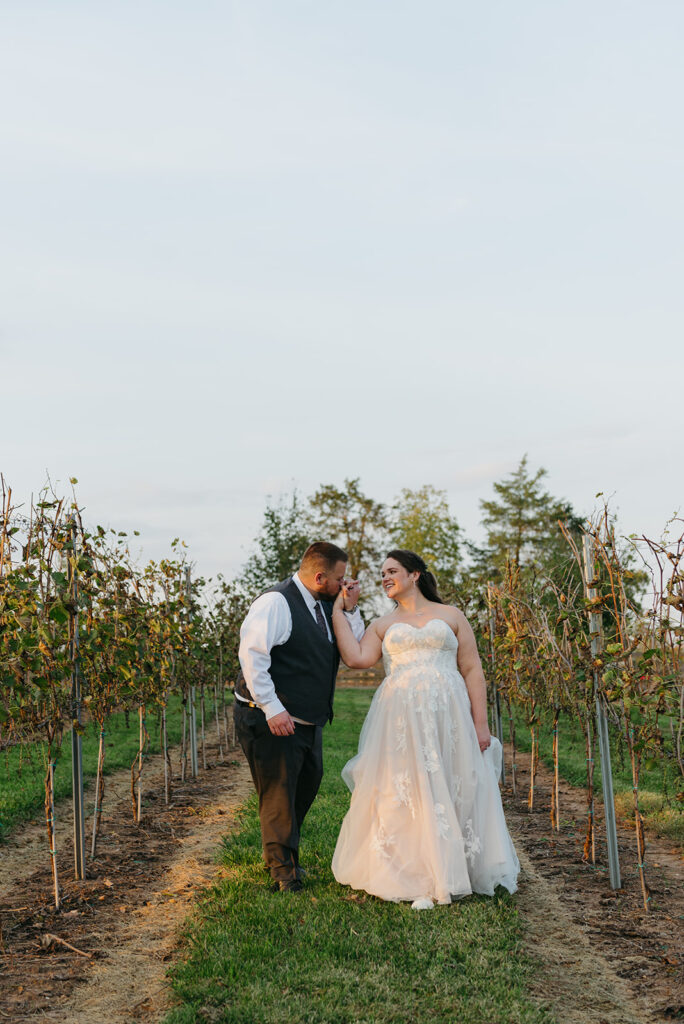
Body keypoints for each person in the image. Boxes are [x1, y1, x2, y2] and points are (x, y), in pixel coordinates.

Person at [330, 549, 519, 910]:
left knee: (455, 782)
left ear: (415, 574)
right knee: (406, 789)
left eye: (392, 571)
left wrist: (481, 724)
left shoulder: (451, 616)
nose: (385, 577)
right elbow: (356, 658)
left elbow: (472, 670)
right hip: (401, 718)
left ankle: (455, 870)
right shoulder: (383, 624)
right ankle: (414, 876)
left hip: (449, 715)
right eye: (382, 573)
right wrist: (341, 610)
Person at [234, 542, 364, 892]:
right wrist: (272, 708)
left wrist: (350, 609)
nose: (345, 583)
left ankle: (284, 855)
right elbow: (253, 655)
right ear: (320, 576)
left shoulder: (325, 606)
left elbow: (357, 646)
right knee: (279, 793)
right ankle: (283, 873)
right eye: (340, 579)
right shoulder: (276, 603)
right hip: (269, 716)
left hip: (307, 719)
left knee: (305, 786)